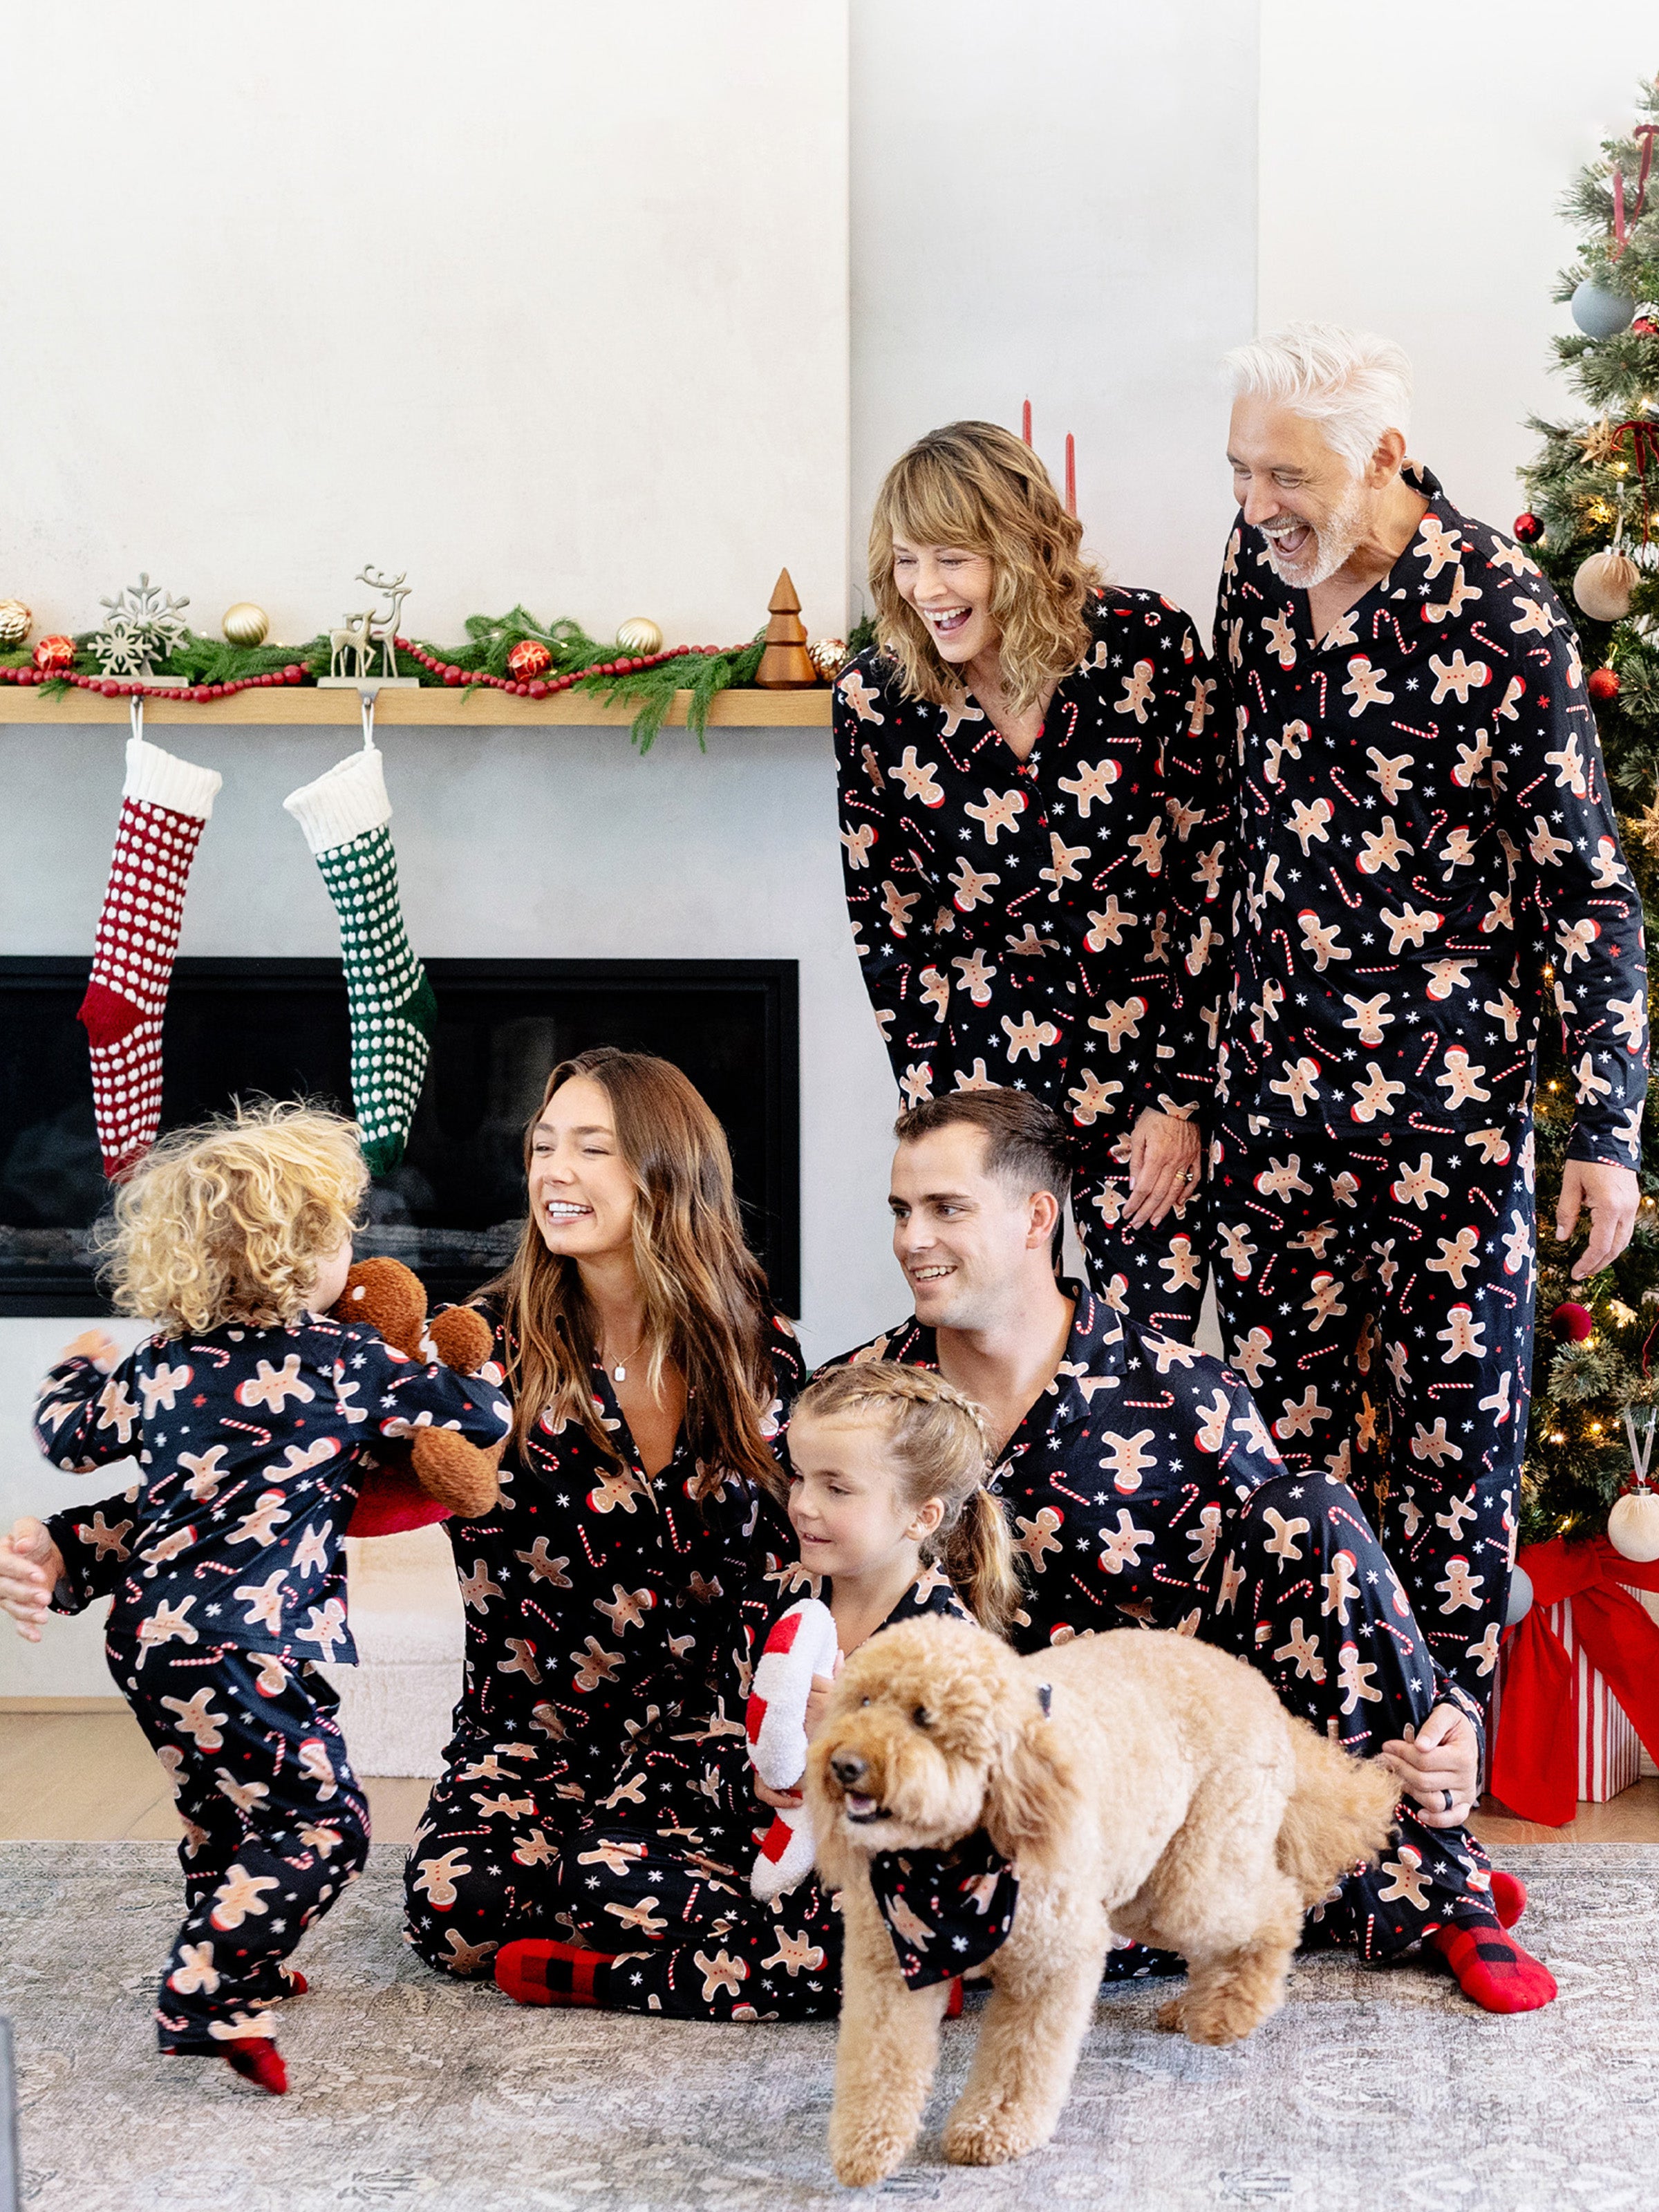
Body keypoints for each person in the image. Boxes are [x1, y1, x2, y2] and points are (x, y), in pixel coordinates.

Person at [834, 1087, 1555, 2013]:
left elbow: (1321, 1592)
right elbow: (790, 1601)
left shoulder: (1184, 1393)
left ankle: (1441, 1891)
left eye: (946, 1210)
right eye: (902, 1211)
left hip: (1165, 1781)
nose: (911, 1240)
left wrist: (1444, 1714)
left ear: (1035, 1219)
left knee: (1314, 1512)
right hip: (977, 1789)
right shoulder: (863, 1405)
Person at [1210, 324, 1649, 1696]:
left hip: (1444, 1127)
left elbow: (1584, 890)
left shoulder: (1501, 612)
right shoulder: (1261, 572)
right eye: (1239, 474)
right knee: (1282, 1482)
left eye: (1285, 475)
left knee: (1454, 1495)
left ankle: (1427, 1839)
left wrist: (1609, 1128)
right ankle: (1290, 1814)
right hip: (1271, 1115)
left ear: (1384, 457)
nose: (1256, 507)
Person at [0, 1103, 510, 2094]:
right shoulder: (349, 1363)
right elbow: (479, 1414)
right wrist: (461, 1360)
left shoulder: (157, 1363)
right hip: (253, 1641)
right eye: (340, 1239)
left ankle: (247, 1947)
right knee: (325, 1819)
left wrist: (78, 1364)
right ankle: (210, 1987)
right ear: (300, 1256)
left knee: (222, 1810)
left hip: (148, 1638)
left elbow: (68, 1440)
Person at [400, 1047, 806, 1980]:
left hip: (708, 1737)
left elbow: (803, 1558)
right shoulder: (484, 1348)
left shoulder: (756, 1347)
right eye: (544, 1147)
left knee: (613, 1888)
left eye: (592, 1148)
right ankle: (613, 1900)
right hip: (534, 1731)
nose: (555, 1172)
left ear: (666, 1171)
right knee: (455, 1917)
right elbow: (313, 1466)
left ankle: (603, 1921)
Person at [833, 420, 1226, 1338]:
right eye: (905, 561)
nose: (925, 590)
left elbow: (1211, 873)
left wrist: (1180, 1096)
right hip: (982, 1057)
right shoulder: (875, 700)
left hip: (1145, 1049)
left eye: (952, 559)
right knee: (988, 1345)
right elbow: (888, 924)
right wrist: (940, 1120)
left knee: (1143, 1358)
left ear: (1017, 549)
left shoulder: (1148, 645)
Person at [489, 1360, 1016, 2019]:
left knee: (868, 1920)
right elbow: (706, 1733)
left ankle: (613, 1980)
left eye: (838, 1488)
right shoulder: (775, 1599)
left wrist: (858, 1758)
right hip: (751, 1848)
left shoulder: (945, 1648)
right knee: (590, 1869)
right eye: (799, 1476)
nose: (803, 1504)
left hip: (866, 1873)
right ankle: (816, 1966)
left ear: (921, 1515)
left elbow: (958, 1810)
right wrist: (751, 1774)